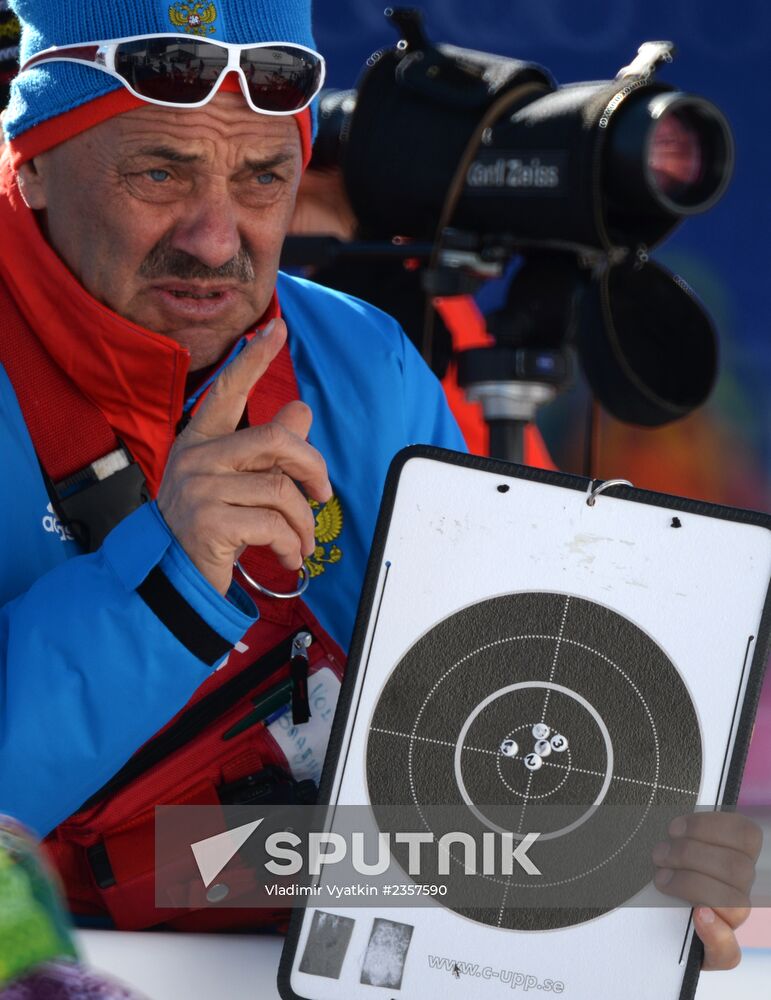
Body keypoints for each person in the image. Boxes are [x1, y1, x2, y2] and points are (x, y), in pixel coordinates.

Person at [0, 0, 758, 969]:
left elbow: (471, 754)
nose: (216, 240)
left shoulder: (360, 360)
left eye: (264, 176)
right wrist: (168, 588)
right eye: (160, 172)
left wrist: (607, 868)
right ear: (32, 162)